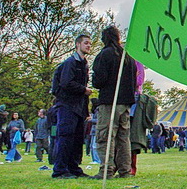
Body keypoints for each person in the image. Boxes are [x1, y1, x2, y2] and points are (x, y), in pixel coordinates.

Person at [90, 26, 137, 180]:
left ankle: (106, 170)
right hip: (126, 102)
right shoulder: (127, 56)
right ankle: (124, 170)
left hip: (110, 101)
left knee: (105, 135)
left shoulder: (105, 55)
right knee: (123, 138)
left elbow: (99, 80)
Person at [51, 34, 93, 179]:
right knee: (66, 137)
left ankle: (73, 168)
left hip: (78, 107)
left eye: (90, 44)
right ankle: (60, 170)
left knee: (76, 139)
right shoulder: (70, 63)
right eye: (86, 43)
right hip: (67, 105)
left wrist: (85, 110)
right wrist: (84, 90)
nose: (88, 46)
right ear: (78, 44)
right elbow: (66, 83)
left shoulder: (84, 64)